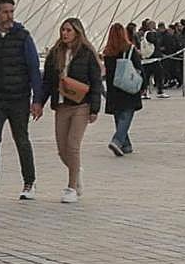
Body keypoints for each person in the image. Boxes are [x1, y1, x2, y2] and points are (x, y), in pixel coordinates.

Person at [0, 0, 44, 205]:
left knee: (22, 140)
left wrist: (37, 100)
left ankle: (29, 183)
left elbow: (33, 69)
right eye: (5, 12)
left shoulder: (23, 37)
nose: (10, 16)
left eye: (11, 11)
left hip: (18, 98)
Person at [39, 17, 102, 202]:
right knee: (62, 149)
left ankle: (71, 187)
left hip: (81, 105)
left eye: (68, 30)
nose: (64, 33)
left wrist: (95, 109)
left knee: (73, 145)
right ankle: (77, 170)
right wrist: (39, 103)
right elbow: (47, 82)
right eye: (63, 30)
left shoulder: (87, 53)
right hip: (61, 105)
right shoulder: (55, 53)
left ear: (77, 32)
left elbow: (96, 82)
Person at [102, 22, 143, 157]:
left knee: (119, 116)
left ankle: (126, 145)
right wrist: (142, 85)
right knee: (126, 115)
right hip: (128, 86)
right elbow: (139, 68)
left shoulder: (108, 52)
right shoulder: (130, 49)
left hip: (114, 88)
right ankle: (118, 140)